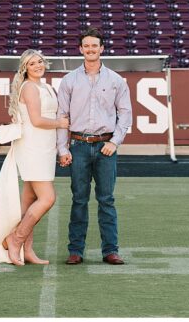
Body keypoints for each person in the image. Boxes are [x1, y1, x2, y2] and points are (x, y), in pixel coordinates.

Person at [57, 27, 133, 265]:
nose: (90, 49)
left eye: (94, 45)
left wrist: (115, 141)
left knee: (106, 199)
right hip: (78, 145)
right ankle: (76, 251)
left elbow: (125, 113)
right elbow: (62, 116)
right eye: (86, 46)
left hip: (105, 147)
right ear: (80, 49)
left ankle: (110, 250)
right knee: (79, 199)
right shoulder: (69, 80)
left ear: (102, 49)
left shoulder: (116, 80)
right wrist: (62, 148)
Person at [0, 49, 70, 266]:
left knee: (28, 200)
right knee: (47, 198)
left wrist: (60, 145)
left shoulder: (45, 86)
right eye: (31, 63)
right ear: (25, 68)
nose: (38, 65)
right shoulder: (28, 87)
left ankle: (27, 250)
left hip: (45, 147)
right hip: (32, 147)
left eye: (39, 61)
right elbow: (37, 120)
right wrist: (60, 124)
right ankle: (14, 239)